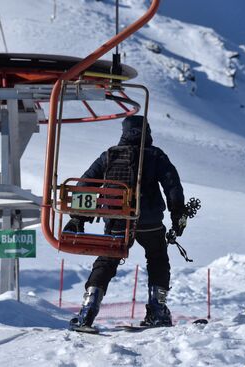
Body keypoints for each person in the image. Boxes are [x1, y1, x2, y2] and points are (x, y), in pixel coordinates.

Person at [66, 115, 186, 328]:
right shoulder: (155, 155)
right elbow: (172, 185)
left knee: (106, 261)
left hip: (118, 220)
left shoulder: (110, 155)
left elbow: (86, 185)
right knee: (157, 259)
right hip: (150, 221)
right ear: (146, 132)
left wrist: (78, 218)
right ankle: (157, 310)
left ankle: (88, 309)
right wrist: (177, 215)